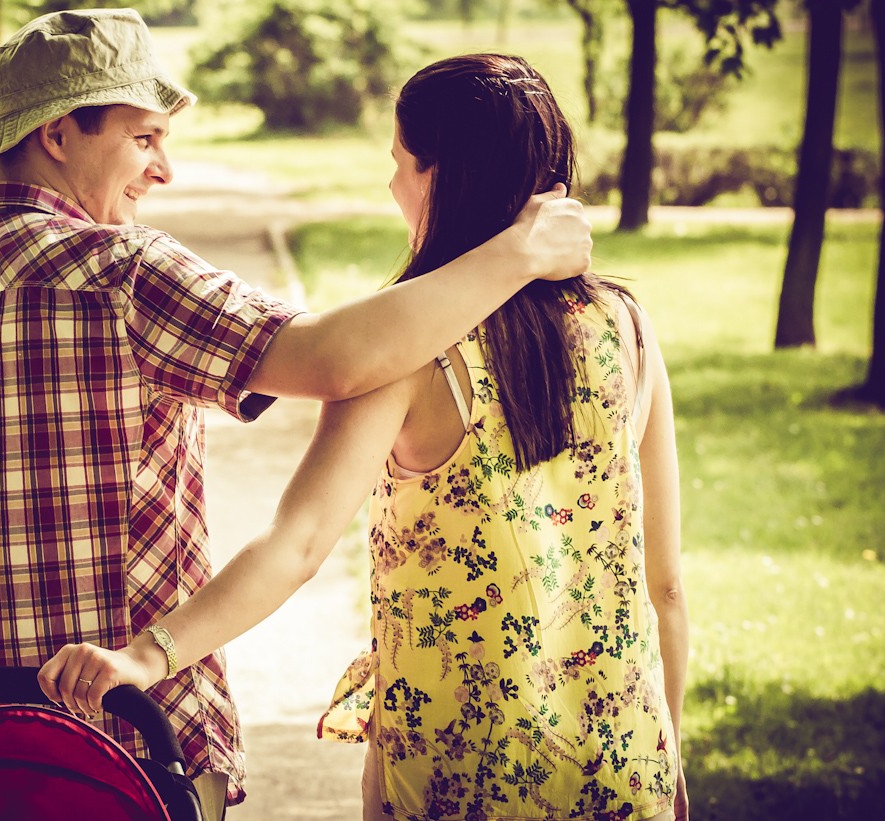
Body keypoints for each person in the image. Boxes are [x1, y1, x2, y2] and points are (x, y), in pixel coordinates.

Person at [0, 9, 592, 820]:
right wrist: (520, 252)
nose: (164, 171)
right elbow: (331, 357)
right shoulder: (124, 274)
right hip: (130, 750)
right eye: (144, 138)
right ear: (55, 134)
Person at [41, 51, 689, 821]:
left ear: (436, 176)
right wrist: (668, 756)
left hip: (459, 776)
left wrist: (148, 654)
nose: (391, 185)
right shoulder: (628, 330)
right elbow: (667, 585)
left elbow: (300, 542)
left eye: (397, 163)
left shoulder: (405, 351)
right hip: (624, 763)